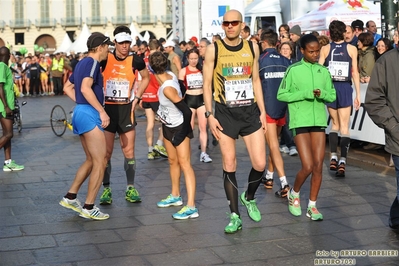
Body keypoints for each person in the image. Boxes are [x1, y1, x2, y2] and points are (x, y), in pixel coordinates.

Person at [203, 10, 267, 233]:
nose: (230, 26)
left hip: (249, 112)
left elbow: (256, 80)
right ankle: (234, 215)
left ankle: (249, 197)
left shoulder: (252, 47)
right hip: (224, 113)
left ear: (242, 25)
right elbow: (206, 83)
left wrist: (262, 111)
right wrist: (209, 115)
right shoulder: (214, 49)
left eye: (234, 23)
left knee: (260, 164)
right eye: (226, 23)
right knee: (229, 164)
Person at [277, 34, 336, 221]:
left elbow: (332, 95)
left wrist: (322, 94)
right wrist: (305, 94)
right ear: (302, 50)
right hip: (300, 121)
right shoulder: (293, 70)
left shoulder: (323, 71)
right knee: (308, 166)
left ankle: (312, 206)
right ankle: (294, 193)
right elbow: (282, 94)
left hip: (318, 121)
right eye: (311, 51)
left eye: (317, 51)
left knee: (319, 166)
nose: (315, 54)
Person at [59, 32, 113, 220]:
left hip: (81, 112)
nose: (109, 50)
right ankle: (89, 207)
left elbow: (67, 87)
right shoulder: (92, 63)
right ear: (100, 47)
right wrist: (101, 111)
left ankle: (70, 196)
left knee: (91, 159)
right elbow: (84, 88)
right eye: (108, 47)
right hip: (90, 114)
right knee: (101, 161)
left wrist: (82, 104)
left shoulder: (81, 62)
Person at [98, 25, 150, 205]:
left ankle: (130, 187)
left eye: (127, 42)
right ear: (115, 43)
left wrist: (137, 98)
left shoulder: (136, 60)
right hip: (108, 111)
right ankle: (106, 189)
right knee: (106, 153)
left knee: (129, 151)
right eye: (121, 43)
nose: (124, 46)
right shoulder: (106, 58)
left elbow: (146, 77)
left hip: (126, 110)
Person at [149, 51, 199, 220]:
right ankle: (176, 195)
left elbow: (187, 112)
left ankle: (191, 206)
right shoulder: (169, 75)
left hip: (180, 127)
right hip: (168, 126)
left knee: (185, 164)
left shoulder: (167, 88)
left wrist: (183, 133)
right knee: (172, 161)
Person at [318, 20, 360, 177]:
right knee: (344, 127)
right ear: (343, 32)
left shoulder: (325, 49)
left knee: (334, 124)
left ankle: (333, 156)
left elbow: (320, 70)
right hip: (344, 88)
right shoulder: (351, 49)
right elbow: (355, 72)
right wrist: (358, 94)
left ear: (330, 33)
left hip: (331, 88)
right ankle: (343, 160)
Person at [364, 45, 399, 229]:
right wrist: (393, 127)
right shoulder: (386, 61)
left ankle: (395, 217)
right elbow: (374, 100)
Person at [258, 29, 291, 197]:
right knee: (274, 145)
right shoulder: (286, 61)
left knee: (273, 145)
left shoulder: (260, 61)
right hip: (282, 108)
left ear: (264, 43)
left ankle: (284, 182)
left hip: (268, 108)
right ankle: (269, 177)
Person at [179, 49, 212, 163]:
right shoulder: (183, 71)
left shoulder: (202, 70)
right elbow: (180, 88)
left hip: (201, 99)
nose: (193, 61)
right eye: (191, 59)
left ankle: (203, 153)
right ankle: (185, 152)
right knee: (190, 128)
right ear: (187, 59)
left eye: (195, 58)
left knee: (203, 127)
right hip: (189, 100)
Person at [141, 39, 168, 160]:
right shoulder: (158, 60)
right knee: (165, 122)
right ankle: (159, 144)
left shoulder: (143, 61)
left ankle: (150, 150)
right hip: (157, 95)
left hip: (146, 95)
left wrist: (139, 96)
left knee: (150, 124)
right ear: (157, 48)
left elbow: (139, 80)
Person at [0, 47, 24, 172]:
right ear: (9, 56)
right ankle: (8, 162)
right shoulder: (2, 67)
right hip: (4, 107)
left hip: (6, 105)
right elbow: (0, 88)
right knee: (9, 134)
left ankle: (8, 162)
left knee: (6, 135)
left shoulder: (3, 67)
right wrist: (6, 106)